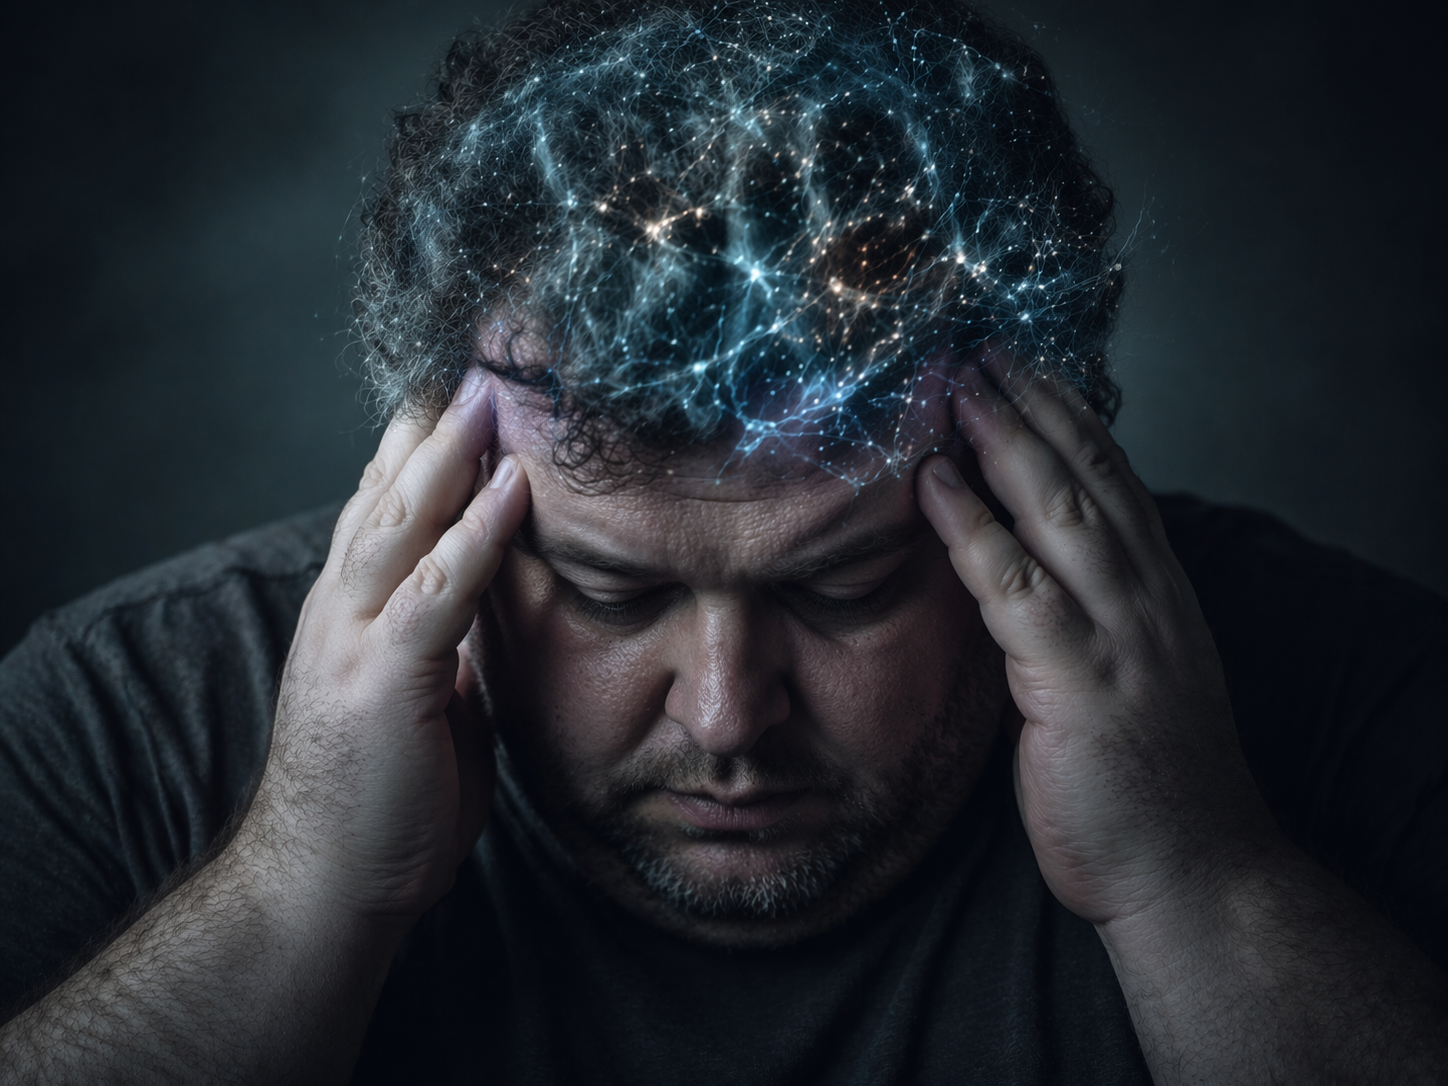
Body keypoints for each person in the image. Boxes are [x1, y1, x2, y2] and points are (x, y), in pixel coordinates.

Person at [1, 0, 1444, 1081]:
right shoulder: (121, 723)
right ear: (439, 487)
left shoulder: (1356, 697)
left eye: (848, 585)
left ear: (1028, 489)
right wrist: (296, 876)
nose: (726, 716)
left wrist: (1198, 878)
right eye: (609, 590)